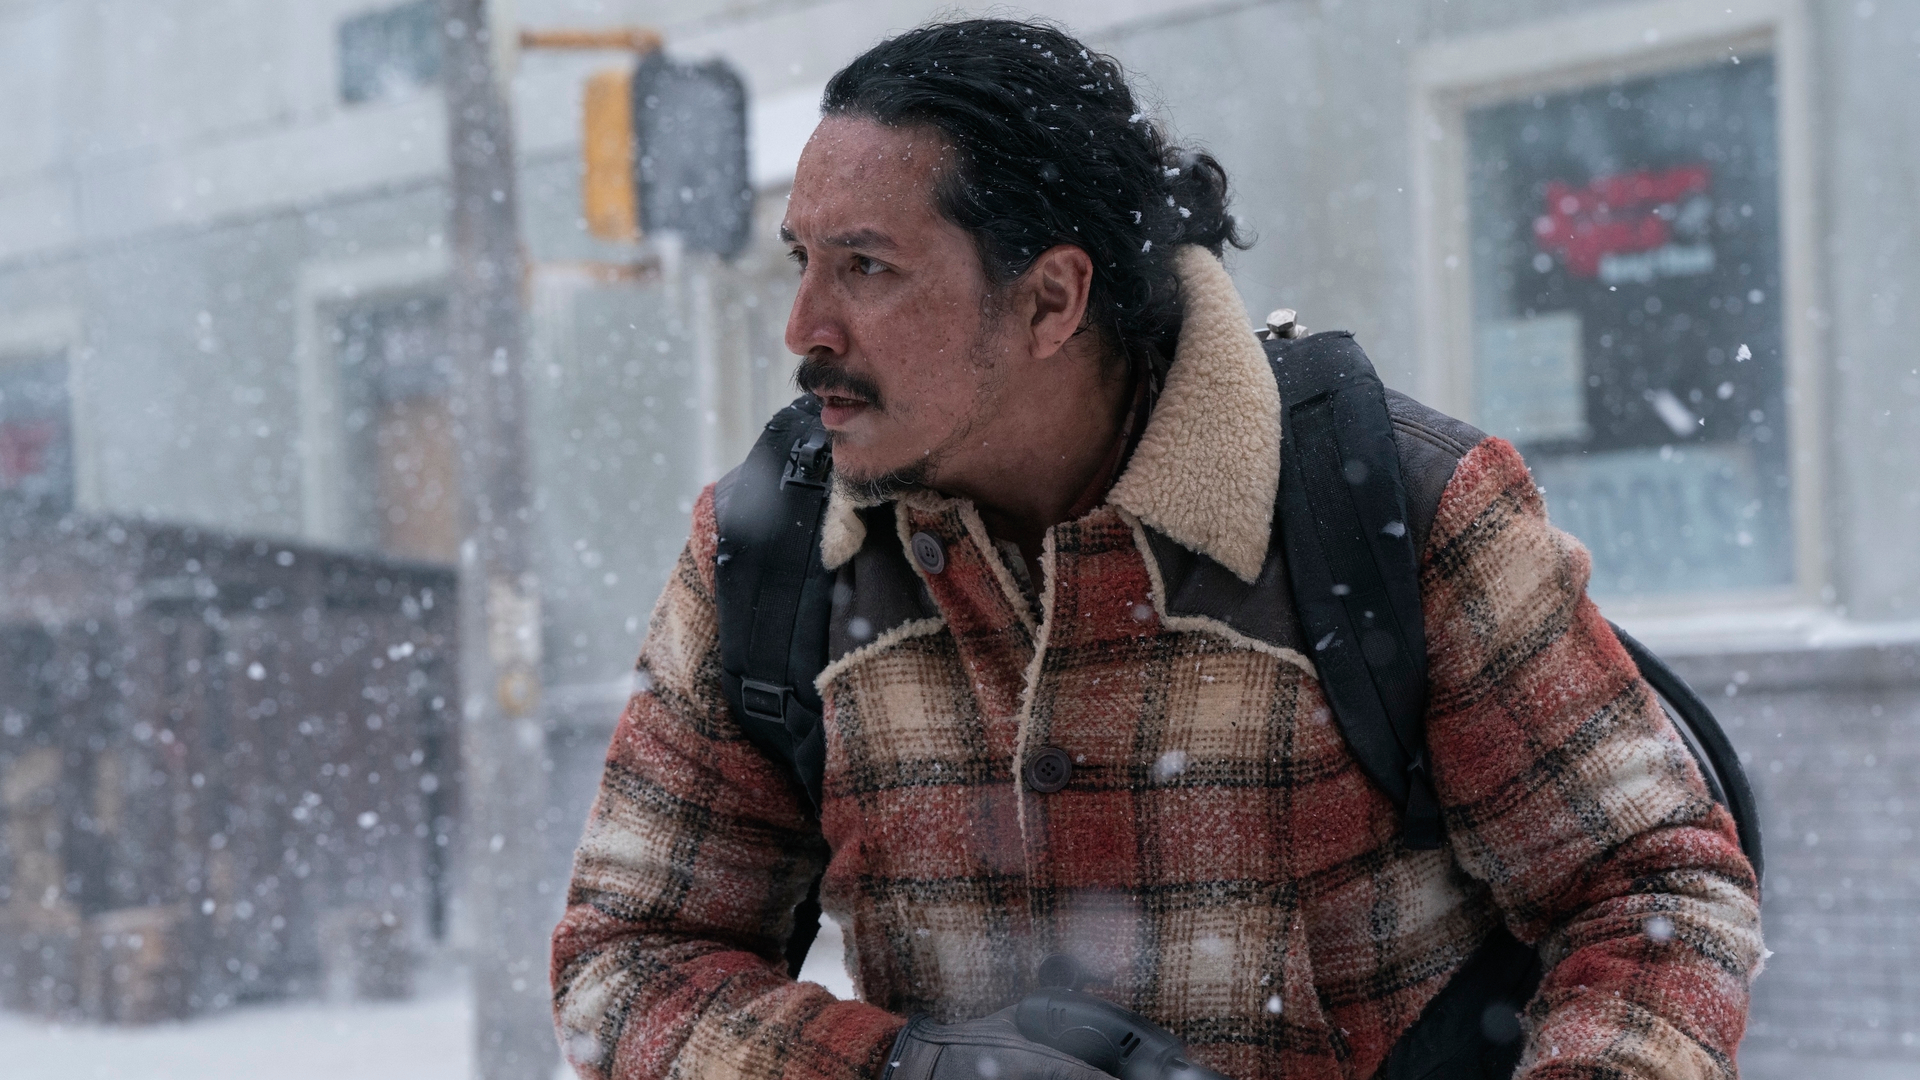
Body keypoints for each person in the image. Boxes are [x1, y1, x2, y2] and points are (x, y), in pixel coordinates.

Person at [551, 18, 1762, 1080]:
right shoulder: (767, 556)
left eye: (865, 267)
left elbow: (1657, 894)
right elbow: (626, 959)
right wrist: (901, 1070)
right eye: (801, 260)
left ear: (1051, 300)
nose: (802, 326)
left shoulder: (1396, 507)